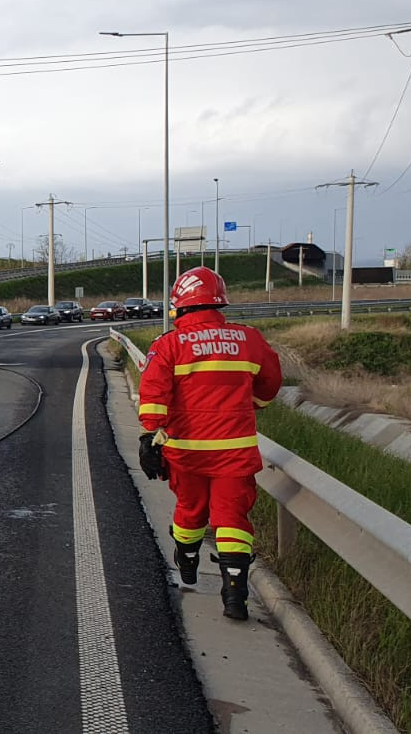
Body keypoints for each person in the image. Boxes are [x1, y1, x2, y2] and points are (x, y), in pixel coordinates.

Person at [137, 266, 282, 621]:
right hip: (234, 451)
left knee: (190, 510)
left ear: (179, 306)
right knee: (231, 517)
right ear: (219, 302)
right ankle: (235, 597)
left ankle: (187, 565)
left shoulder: (169, 345)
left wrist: (150, 436)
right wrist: (249, 405)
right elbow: (270, 384)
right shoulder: (248, 339)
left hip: (186, 452)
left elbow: (153, 394)